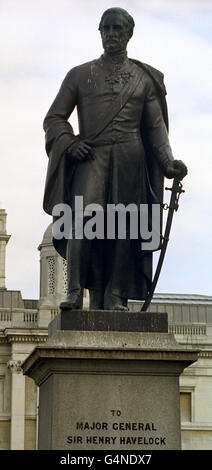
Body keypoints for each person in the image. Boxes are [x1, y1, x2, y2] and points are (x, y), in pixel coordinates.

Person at [43, 7, 187, 310]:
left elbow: (155, 129)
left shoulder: (144, 79)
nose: (111, 35)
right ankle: (74, 291)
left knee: (125, 226)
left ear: (129, 34)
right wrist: (69, 142)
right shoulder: (79, 75)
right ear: (100, 32)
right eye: (106, 29)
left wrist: (168, 163)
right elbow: (54, 118)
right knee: (82, 222)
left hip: (130, 159)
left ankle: (116, 295)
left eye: (117, 29)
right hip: (91, 157)